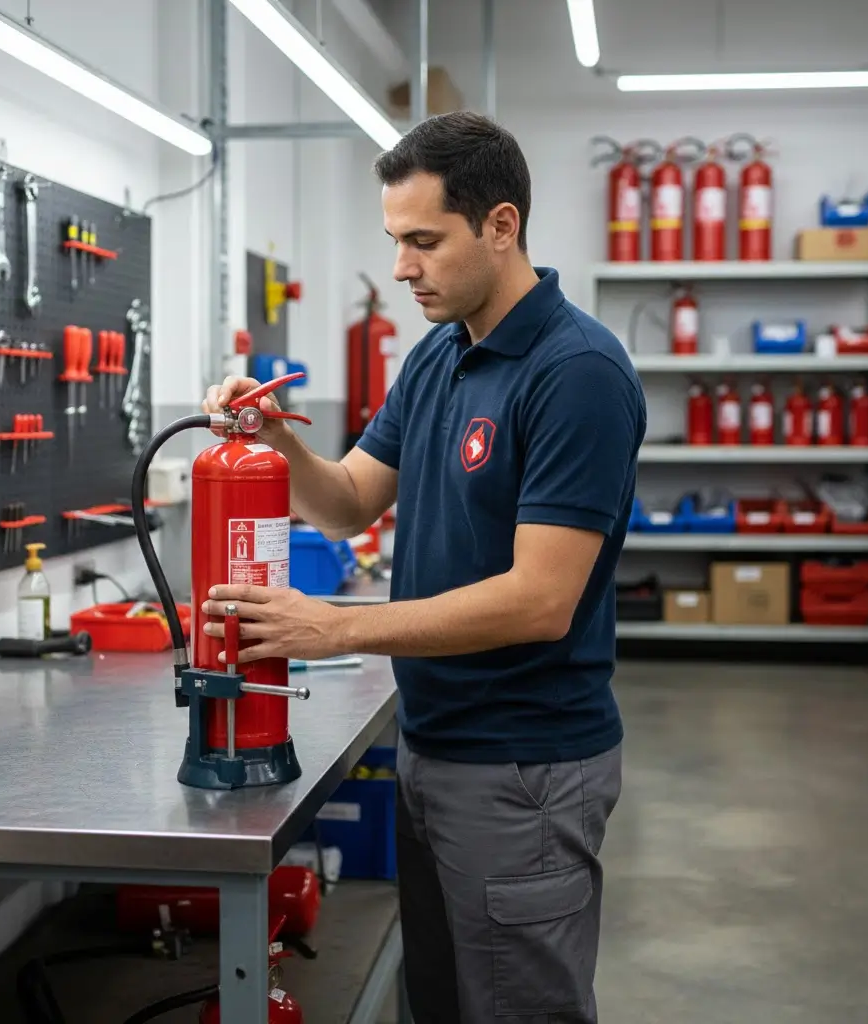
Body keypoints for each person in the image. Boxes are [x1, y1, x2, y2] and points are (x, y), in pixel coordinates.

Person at [201, 111, 646, 1024]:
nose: (402, 267)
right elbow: (351, 498)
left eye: (423, 241)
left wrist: (335, 625)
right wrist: (276, 439)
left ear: (501, 226)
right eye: (395, 241)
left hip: (525, 768)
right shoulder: (439, 355)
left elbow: (542, 600)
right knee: (439, 1003)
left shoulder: (579, 373)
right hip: (437, 748)